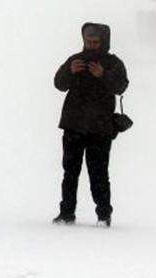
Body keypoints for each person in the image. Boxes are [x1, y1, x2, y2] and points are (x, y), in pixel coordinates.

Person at [52, 22, 129, 227]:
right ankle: (66, 213)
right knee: (70, 172)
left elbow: (121, 86)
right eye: (89, 41)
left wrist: (103, 74)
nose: (92, 45)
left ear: (104, 41)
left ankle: (104, 216)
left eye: (96, 42)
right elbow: (59, 83)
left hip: (100, 129)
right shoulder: (75, 60)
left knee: (99, 175)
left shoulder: (113, 63)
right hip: (73, 125)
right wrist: (70, 70)